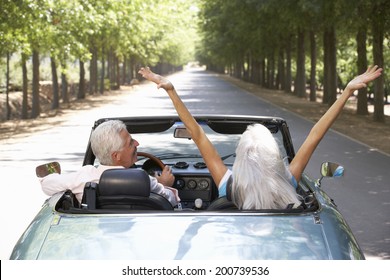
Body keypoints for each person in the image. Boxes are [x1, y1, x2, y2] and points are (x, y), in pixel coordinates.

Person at [138, 65, 382, 210]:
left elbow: (198, 135)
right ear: (274, 157)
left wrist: (171, 91)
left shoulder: (228, 185)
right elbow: (316, 133)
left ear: (242, 156)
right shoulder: (288, 180)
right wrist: (347, 91)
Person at [40, 119, 180, 206]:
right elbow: (171, 200)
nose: (137, 143)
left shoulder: (85, 177)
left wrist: (53, 175)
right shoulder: (144, 180)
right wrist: (164, 184)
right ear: (116, 156)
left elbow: (47, 184)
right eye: (131, 143)